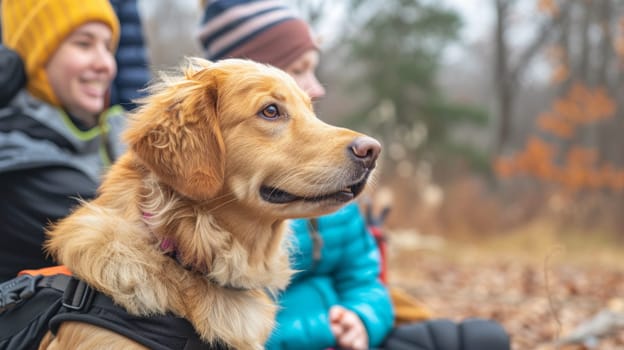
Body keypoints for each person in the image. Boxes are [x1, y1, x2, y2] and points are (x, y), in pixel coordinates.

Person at [198, 2, 511, 350]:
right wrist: (321, 329)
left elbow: (364, 276)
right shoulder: (234, 208)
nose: (316, 88)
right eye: (300, 70)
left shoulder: (328, 180)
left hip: (349, 338)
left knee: (483, 338)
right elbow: (227, 322)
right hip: (288, 340)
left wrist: (361, 320)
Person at [0, 0, 125, 282]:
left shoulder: (110, 132)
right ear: (38, 57)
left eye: (108, 47)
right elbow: (136, 237)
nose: (105, 64)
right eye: (83, 44)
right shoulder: (18, 157)